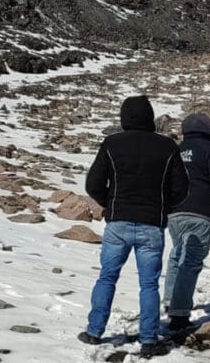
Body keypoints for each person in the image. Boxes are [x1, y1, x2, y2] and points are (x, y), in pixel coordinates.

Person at [78, 95, 189, 359]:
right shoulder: (168, 147)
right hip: (152, 225)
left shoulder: (112, 143)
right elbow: (181, 190)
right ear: (149, 117)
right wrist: (162, 208)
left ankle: (94, 331)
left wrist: (112, 204)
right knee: (148, 284)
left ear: (124, 117)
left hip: (118, 223)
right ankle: (148, 339)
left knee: (107, 277)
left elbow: (93, 184)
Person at [164, 113, 210, 331]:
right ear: (209, 130)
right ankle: (179, 314)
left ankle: (170, 300)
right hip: (202, 212)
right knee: (191, 261)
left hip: (175, 212)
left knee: (177, 254)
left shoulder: (177, 150)